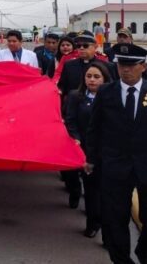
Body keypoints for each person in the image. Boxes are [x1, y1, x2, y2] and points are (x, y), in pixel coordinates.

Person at [85, 44, 147, 264]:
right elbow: (95, 128)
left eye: (132, 65)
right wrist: (91, 159)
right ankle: (122, 260)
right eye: (122, 64)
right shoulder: (106, 92)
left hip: (146, 165)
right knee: (115, 218)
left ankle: (144, 251)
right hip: (114, 164)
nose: (126, 70)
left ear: (144, 66)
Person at [64, 61, 113, 238]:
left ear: (105, 79)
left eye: (96, 77)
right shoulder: (76, 96)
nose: (92, 80)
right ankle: (93, 223)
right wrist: (76, 137)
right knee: (91, 189)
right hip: (85, 150)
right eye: (89, 76)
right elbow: (70, 120)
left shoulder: (113, 98)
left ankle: (108, 227)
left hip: (108, 151)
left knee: (107, 191)